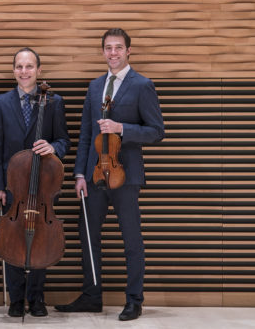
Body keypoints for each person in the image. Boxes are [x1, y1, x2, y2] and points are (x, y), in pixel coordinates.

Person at [54, 28, 164, 321]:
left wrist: (122, 129)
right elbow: (87, 134)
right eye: (108, 48)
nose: (112, 52)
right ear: (102, 51)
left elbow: (156, 132)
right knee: (88, 235)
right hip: (93, 175)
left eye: (118, 47)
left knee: (131, 239)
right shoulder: (94, 86)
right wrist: (79, 173)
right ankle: (91, 295)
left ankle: (134, 300)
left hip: (125, 175)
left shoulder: (142, 85)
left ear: (129, 51)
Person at [0, 47, 71, 317]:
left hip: (43, 186)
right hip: (14, 185)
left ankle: (36, 298)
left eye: (29, 66)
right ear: (14, 71)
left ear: (39, 70)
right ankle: (15, 298)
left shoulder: (54, 102)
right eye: (19, 67)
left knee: (40, 239)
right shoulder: (1, 103)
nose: (24, 71)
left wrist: (53, 147)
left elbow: (64, 141)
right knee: (13, 239)